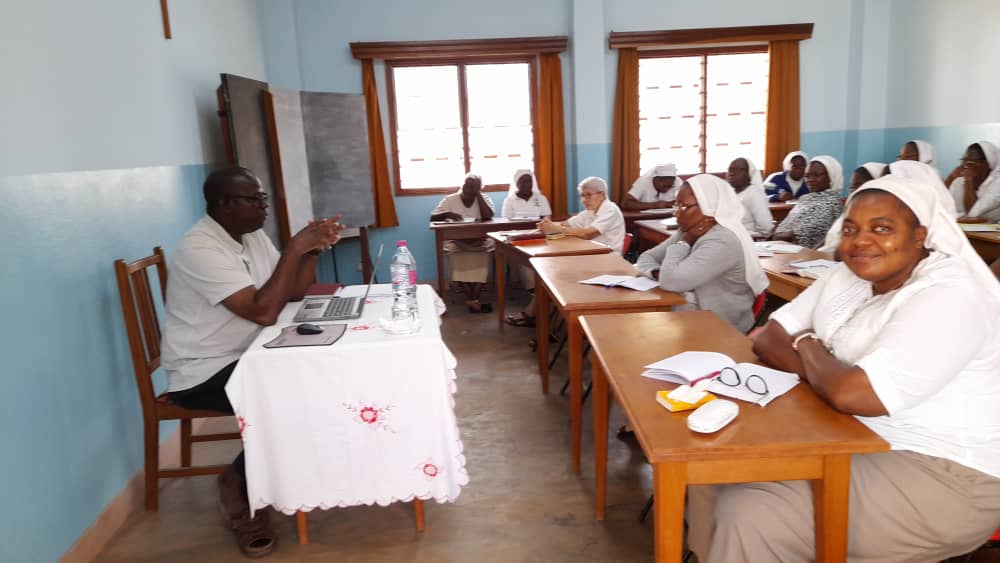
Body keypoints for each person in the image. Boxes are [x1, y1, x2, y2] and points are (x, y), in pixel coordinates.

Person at [688, 176, 1000, 562]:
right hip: (846, 435)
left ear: (921, 235)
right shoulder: (846, 274)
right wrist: (826, 373)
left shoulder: (949, 295)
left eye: (882, 228)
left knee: (752, 513)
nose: (861, 241)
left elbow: (856, 395)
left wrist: (807, 345)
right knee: (707, 467)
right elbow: (769, 338)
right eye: (851, 228)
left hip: (943, 474)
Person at [161, 167, 343, 558]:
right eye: (255, 199)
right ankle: (237, 487)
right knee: (291, 398)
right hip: (202, 369)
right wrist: (294, 248)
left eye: (262, 198)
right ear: (224, 205)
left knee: (322, 377)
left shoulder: (251, 235)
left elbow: (292, 292)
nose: (264, 207)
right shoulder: (200, 249)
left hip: (249, 353)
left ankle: (282, 472)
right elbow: (262, 312)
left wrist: (311, 250)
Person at [636, 175, 768, 333]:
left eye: (683, 207)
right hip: (691, 312)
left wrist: (685, 242)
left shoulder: (723, 239)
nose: (676, 214)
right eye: (675, 205)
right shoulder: (689, 229)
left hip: (719, 326)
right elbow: (646, 258)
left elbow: (671, 281)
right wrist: (659, 273)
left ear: (708, 207)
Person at [431, 173, 496, 313]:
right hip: (457, 241)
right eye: (467, 184)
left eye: (473, 186)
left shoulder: (484, 199)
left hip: (480, 242)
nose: (468, 188)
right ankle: (474, 299)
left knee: (487, 250)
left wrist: (478, 196)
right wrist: (448, 214)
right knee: (454, 252)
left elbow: (488, 216)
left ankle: (472, 299)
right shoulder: (450, 199)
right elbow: (433, 216)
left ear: (479, 188)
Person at [502, 169, 551, 328]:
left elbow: (546, 219)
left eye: (529, 181)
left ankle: (539, 299)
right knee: (522, 260)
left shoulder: (540, 198)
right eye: (522, 181)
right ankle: (537, 294)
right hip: (518, 239)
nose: (526, 184)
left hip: (539, 238)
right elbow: (506, 221)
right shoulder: (510, 200)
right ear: (516, 184)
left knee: (542, 259)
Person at [771, 155, 845, 248]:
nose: (810, 180)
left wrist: (778, 235)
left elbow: (801, 234)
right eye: (807, 176)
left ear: (832, 176)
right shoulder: (805, 198)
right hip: (781, 245)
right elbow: (788, 222)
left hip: (806, 253)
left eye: (816, 175)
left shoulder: (832, 202)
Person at [539, 176, 625, 253]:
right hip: (591, 252)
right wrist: (546, 224)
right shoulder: (589, 211)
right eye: (582, 195)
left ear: (602, 195)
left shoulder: (610, 209)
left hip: (608, 257)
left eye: (588, 195)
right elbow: (565, 224)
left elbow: (587, 234)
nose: (583, 200)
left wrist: (557, 228)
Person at [947, 141, 1000, 222]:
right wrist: (951, 177)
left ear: (988, 164)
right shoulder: (959, 180)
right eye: (964, 160)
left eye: (972, 162)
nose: (966, 165)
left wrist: (969, 180)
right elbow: (940, 201)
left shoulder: (997, 184)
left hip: (990, 232)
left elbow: (973, 213)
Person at [727, 157, 773, 238]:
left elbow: (766, 229)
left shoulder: (754, 194)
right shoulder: (729, 193)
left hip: (747, 240)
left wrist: (743, 235)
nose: (732, 173)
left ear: (749, 174)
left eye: (739, 170)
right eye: (730, 170)